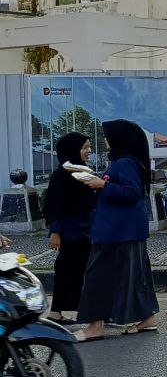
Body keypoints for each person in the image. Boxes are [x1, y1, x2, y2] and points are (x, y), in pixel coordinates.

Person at [74, 120, 159, 342]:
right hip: (123, 229)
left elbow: (132, 193)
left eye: (108, 136)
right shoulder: (126, 161)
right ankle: (147, 318)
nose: (105, 139)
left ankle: (94, 327)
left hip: (117, 230)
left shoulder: (125, 163)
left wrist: (102, 185)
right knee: (133, 275)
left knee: (97, 278)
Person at [42, 132, 96, 324]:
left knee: (80, 272)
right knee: (67, 271)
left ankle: (82, 311)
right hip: (70, 232)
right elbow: (55, 205)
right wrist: (55, 232)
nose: (88, 151)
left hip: (84, 230)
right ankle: (56, 313)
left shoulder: (81, 170)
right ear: (72, 150)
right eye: (84, 147)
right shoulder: (62, 175)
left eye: (89, 146)